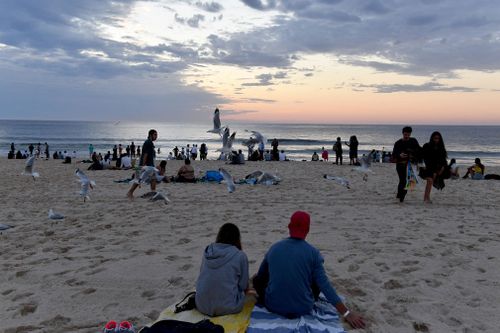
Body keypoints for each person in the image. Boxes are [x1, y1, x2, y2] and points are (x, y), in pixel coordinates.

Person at [252, 211, 365, 329]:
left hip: (273, 305)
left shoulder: (274, 248)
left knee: (257, 279)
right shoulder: (313, 253)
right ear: (307, 229)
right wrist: (346, 313)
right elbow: (325, 287)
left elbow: (261, 276)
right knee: (317, 280)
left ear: (289, 227)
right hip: (303, 307)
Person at [195, 223, 249, 316]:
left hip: (201, 306)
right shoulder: (240, 255)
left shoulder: (208, 251)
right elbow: (243, 286)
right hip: (228, 307)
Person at [392, 126, 421, 202]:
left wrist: (414, 155)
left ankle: (400, 196)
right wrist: (399, 155)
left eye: (408, 134)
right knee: (402, 180)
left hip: (411, 164)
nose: (407, 136)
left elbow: (419, 150)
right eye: (405, 134)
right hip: (400, 164)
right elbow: (394, 153)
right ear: (402, 133)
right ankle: (400, 197)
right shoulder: (398, 143)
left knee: (410, 182)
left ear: (410, 134)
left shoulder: (413, 141)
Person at [127, 129, 158, 198]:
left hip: (149, 164)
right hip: (147, 165)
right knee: (139, 179)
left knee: (153, 178)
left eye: (156, 135)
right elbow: (145, 154)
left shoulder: (148, 142)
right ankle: (130, 192)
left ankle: (153, 192)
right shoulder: (148, 143)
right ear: (150, 135)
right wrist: (143, 165)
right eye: (155, 135)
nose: (156, 136)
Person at [420, 131, 448, 203]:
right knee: (430, 180)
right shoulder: (427, 145)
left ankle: (426, 198)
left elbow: (443, 160)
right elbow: (422, 156)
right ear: (432, 138)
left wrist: (442, 168)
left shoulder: (441, 148)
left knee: (430, 181)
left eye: (438, 138)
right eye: (435, 138)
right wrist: (422, 165)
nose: (436, 140)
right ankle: (426, 198)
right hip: (427, 167)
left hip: (437, 169)